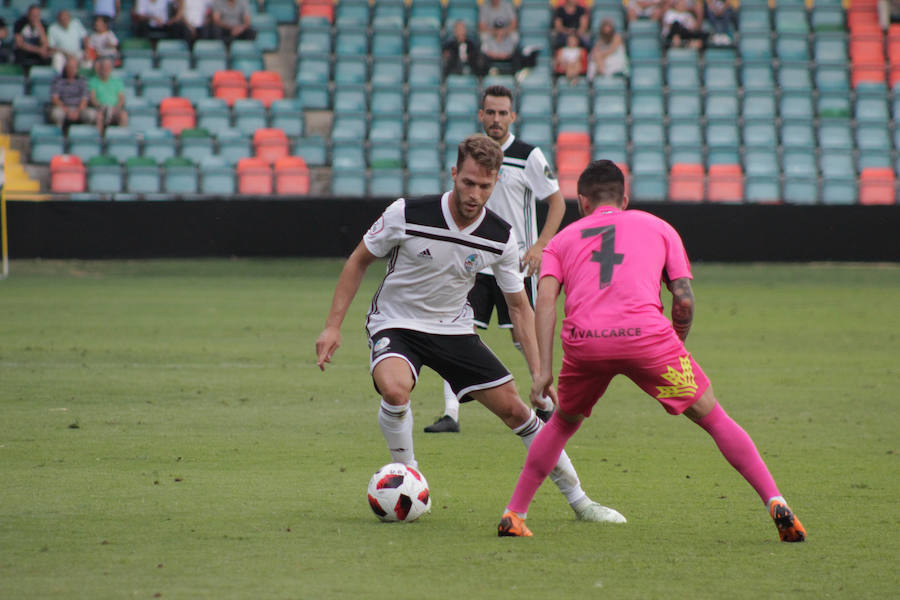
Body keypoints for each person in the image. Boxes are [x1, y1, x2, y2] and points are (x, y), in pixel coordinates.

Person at [315, 135, 625, 524]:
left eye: (484, 185)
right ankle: (409, 474)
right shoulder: (406, 213)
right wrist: (332, 327)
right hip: (397, 322)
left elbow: (519, 306)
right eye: (468, 182)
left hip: (454, 330)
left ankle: (581, 502)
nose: (475, 193)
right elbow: (358, 260)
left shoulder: (501, 236)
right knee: (395, 389)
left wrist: (539, 371)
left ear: (495, 182)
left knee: (518, 411)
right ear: (453, 174)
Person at [496, 160, 806, 543]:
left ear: (581, 201)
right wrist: (675, 343)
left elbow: (544, 302)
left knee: (560, 425)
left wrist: (543, 370)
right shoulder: (659, 228)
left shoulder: (562, 240)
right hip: (648, 340)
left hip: (586, 343)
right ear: (624, 198)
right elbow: (685, 300)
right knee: (715, 419)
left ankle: (514, 514)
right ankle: (775, 501)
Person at [426, 86, 566, 434]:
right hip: (473, 262)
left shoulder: (527, 155)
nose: (496, 119)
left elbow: (558, 202)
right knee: (457, 328)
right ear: (481, 115)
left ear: (512, 117)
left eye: (503, 113)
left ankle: (548, 404)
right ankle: (450, 413)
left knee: (527, 336)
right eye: (490, 112)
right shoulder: (470, 157)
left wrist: (539, 247)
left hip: (515, 261)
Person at [48, 55, 95, 130]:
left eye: (73, 67)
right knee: (56, 114)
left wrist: (77, 112)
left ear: (77, 69)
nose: (71, 70)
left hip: (78, 108)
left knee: (90, 114)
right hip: (63, 107)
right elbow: (54, 99)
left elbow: (84, 100)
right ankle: (58, 135)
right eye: (69, 67)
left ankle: (84, 134)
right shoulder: (58, 80)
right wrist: (66, 110)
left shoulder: (82, 80)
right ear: (65, 68)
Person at [89, 56, 127, 134]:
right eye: (103, 67)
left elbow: (121, 99)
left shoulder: (117, 82)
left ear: (111, 69)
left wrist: (116, 108)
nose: (105, 70)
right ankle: (99, 139)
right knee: (99, 117)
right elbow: (92, 98)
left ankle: (121, 137)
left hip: (114, 109)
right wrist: (100, 107)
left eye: (107, 68)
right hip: (100, 108)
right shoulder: (93, 81)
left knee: (123, 115)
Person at [478, 0, 518, 73]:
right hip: (490, 32)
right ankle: (486, 70)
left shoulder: (507, 5)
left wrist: (504, 32)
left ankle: (513, 71)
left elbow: (514, 23)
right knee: (483, 36)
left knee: (514, 35)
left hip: (506, 31)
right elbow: (481, 26)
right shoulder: (484, 6)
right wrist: (495, 32)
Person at [13, 5, 51, 72]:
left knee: (46, 56)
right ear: (28, 14)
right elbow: (19, 43)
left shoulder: (43, 25)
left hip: (38, 51)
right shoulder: (20, 23)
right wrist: (38, 50)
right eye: (33, 15)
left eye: (37, 15)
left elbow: (45, 44)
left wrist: (40, 29)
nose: (35, 17)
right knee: (19, 54)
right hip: (25, 49)